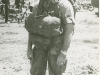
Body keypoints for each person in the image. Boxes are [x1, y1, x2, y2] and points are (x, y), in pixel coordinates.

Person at [27, 0, 75, 75]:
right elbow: (32, 29)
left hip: (56, 46)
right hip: (39, 45)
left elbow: (69, 29)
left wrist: (63, 52)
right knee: (36, 72)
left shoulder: (64, 5)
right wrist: (29, 48)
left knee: (56, 72)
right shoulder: (37, 5)